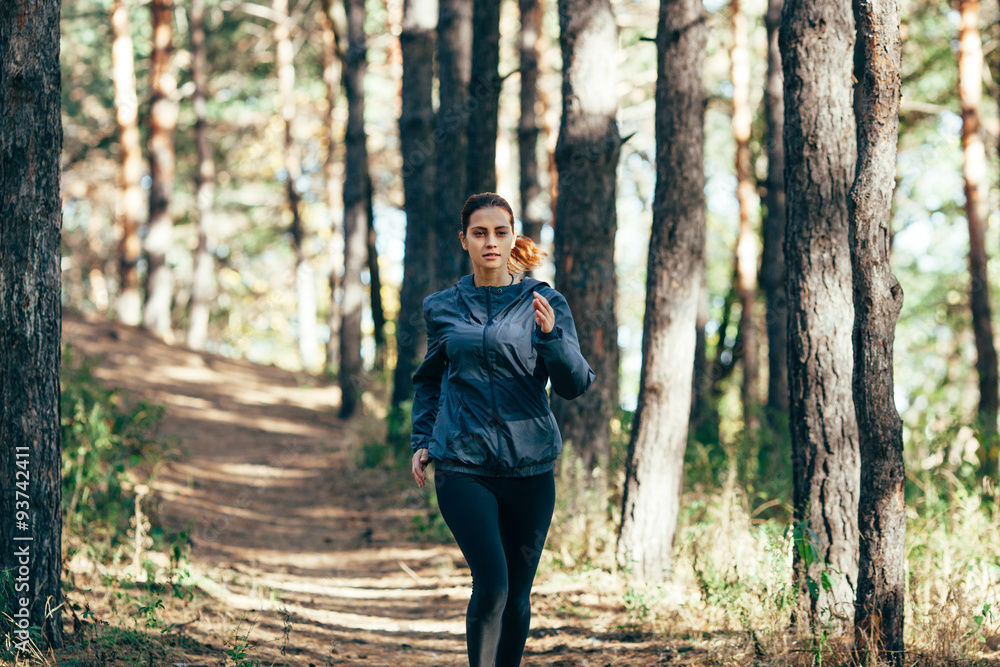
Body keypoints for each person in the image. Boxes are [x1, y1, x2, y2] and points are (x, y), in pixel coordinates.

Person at [409, 192, 596, 667]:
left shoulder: (543, 300)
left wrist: (552, 337)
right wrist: (423, 441)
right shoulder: (442, 307)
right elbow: (431, 379)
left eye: (500, 232)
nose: (490, 241)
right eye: (479, 233)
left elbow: (574, 384)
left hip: (531, 469)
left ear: (513, 238)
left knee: (517, 596)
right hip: (462, 464)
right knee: (492, 584)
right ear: (464, 241)